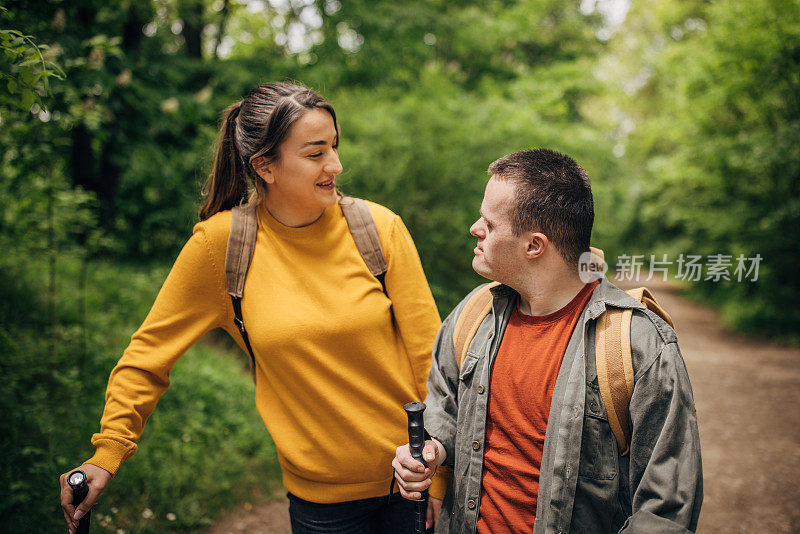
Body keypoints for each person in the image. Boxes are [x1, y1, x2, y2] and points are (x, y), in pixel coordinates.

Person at [58, 82, 446, 534]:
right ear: (265, 166)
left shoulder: (378, 229)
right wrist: (108, 451)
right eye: (316, 153)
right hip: (322, 503)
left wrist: (438, 480)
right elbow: (147, 358)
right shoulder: (221, 248)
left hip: (413, 483)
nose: (336, 165)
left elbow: (432, 361)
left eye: (335, 147)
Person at [392, 149, 703, 533]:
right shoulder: (473, 315)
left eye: (489, 223)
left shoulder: (637, 344)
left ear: (534, 246)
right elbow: (446, 409)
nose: (475, 228)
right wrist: (435, 449)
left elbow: (665, 509)